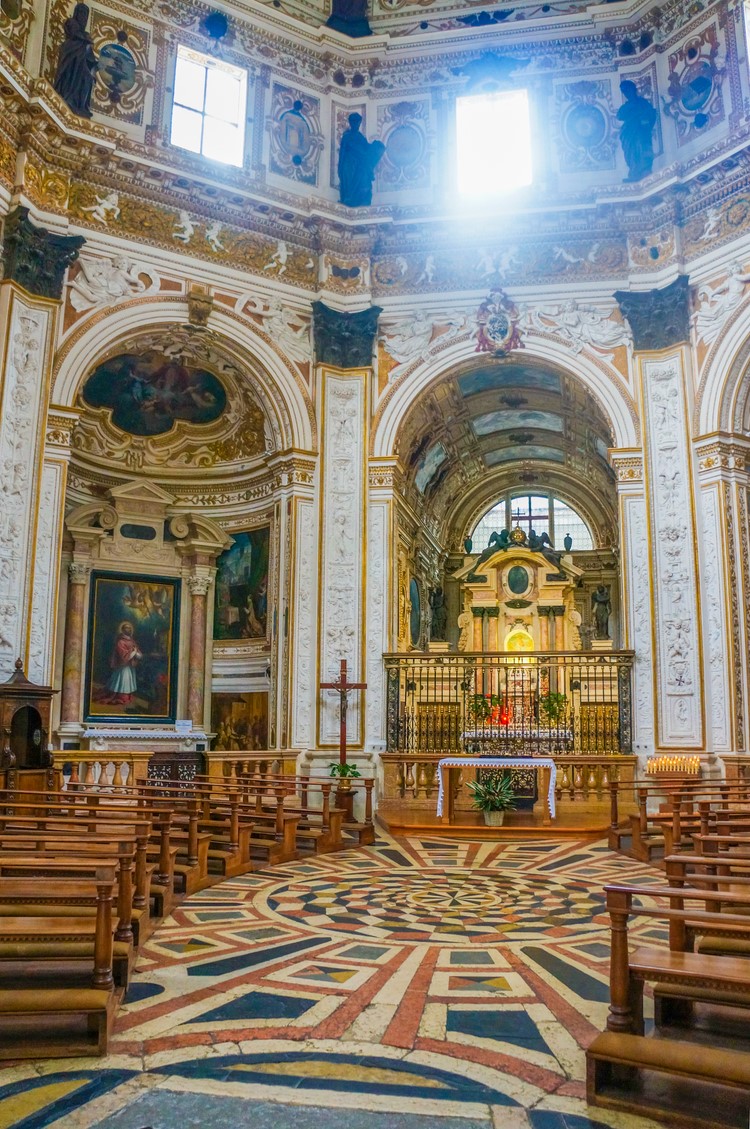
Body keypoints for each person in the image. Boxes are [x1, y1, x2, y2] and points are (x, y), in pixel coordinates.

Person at [53, 3, 98, 119]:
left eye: (86, 15)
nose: (83, 17)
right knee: (72, 75)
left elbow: (90, 57)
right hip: (71, 55)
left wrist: (94, 63)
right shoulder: (71, 22)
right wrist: (86, 39)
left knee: (88, 79)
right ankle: (69, 98)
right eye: (82, 13)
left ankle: (81, 106)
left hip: (82, 60)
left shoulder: (86, 37)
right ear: (76, 13)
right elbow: (74, 34)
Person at [337, 114, 385, 207]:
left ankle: (359, 198)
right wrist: (340, 167)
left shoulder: (361, 137)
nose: (356, 125)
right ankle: (348, 197)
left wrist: (376, 146)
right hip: (349, 163)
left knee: (362, 176)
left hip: (360, 164)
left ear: (359, 124)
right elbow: (342, 152)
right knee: (348, 179)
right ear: (351, 123)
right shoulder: (346, 136)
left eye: (357, 123)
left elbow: (367, 151)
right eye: (354, 122)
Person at [617, 80, 657, 182]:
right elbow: (619, 115)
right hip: (629, 132)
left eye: (627, 90)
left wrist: (645, 122)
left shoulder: (643, 103)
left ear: (633, 89)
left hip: (641, 131)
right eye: (624, 92)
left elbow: (652, 115)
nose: (626, 94)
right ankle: (634, 171)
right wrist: (632, 106)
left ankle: (644, 170)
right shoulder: (626, 106)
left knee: (642, 148)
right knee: (631, 151)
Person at [101, 620, 142, 705]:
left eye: (130, 628)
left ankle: (127, 696)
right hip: (123, 666)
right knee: (123, 680)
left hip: (130, 666)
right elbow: (123, 656)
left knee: (128, 681)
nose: (129, 629)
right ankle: (121, 696)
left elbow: (138, 652)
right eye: (126, 628)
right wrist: (133, 652)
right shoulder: (120, 642)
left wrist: (137, 654)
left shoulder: (132, 641)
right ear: (123, 630)